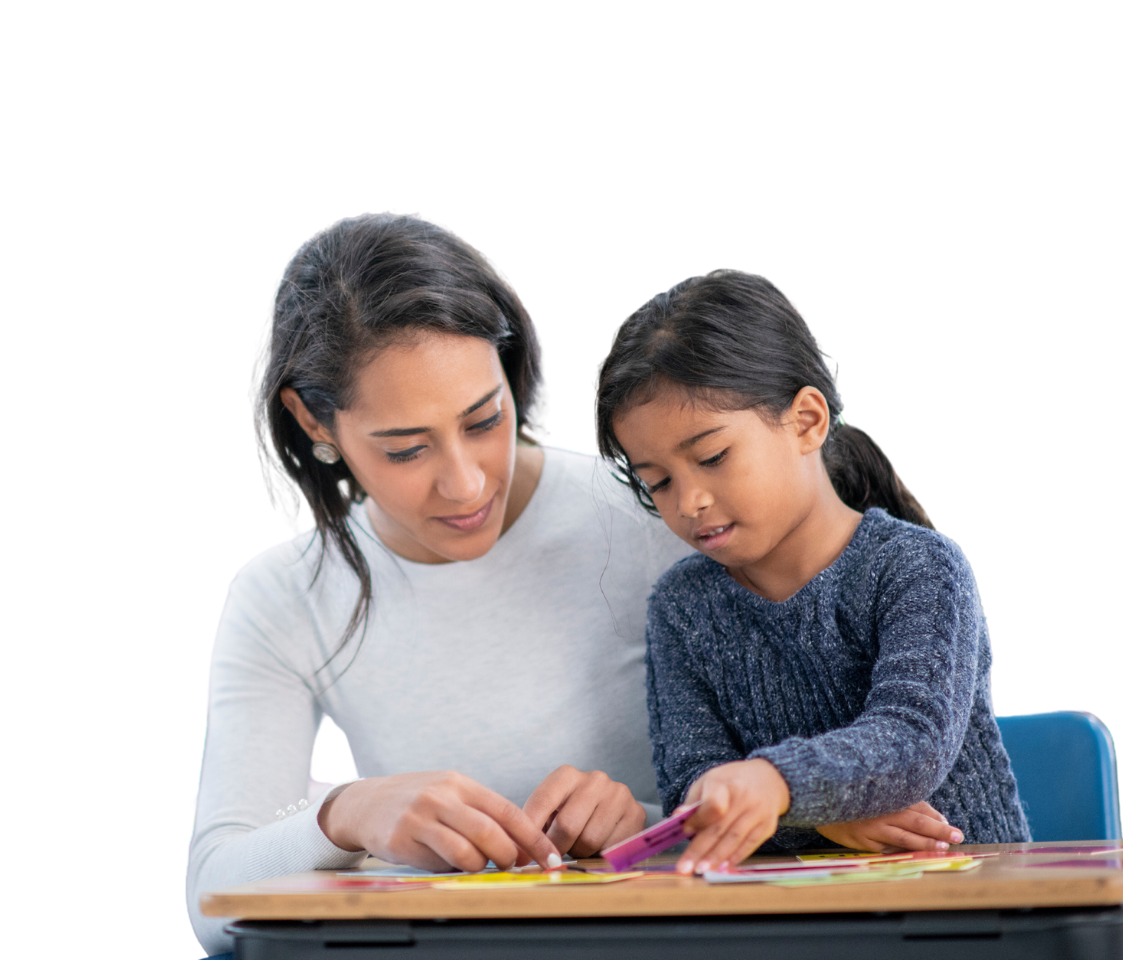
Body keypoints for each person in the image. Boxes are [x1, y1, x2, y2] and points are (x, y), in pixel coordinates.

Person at [186, 213, 695, 955]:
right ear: (313, 421)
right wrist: (346, 817)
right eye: (406, 449)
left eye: (484, 419)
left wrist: (650, 826)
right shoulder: (283, 598)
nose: (464, 484)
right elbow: (214, 903)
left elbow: (807, 808)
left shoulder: (653, 520)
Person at [595, 269, 1030, 876]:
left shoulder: (920, 566)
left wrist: (778, 789)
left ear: (806, 420)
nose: (688, 500)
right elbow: (693, 791)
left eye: (713, 457)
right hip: (795, 916)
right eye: (658, 482)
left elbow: (912, 739)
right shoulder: (683, 607)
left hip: (968, 903)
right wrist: (819, 817)